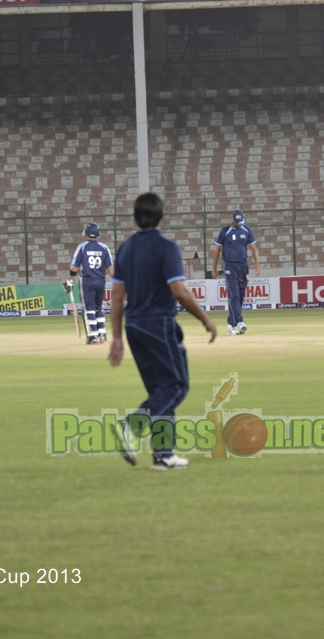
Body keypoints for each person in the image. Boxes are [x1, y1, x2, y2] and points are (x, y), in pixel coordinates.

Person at [108, 193, 217, 471]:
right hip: (158, 324)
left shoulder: (125, 249)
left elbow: (117, 295)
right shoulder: (166, 248)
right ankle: (131, 426)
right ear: (161, 217)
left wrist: (117, 338)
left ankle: (163, 454)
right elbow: (179, 291)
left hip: (133, 327)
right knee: (176, 385)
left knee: (159, 391)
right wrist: (205, 319)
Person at [212, 209, 260, 335]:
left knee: (240, 295)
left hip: (243, 266)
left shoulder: (247, 230)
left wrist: (257, 265)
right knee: (234, 295)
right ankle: (239, 321)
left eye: (241, 221)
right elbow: (217, 250)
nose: (239, 224)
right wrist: (214, 269)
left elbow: (253, 249)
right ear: (232, 219)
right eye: (237, 221)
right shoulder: (225, 231)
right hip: (229, 266)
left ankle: (231, 325)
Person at [66, 222, 114, 345]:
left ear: (86, 233)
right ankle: (102, 334)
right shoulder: (104, 248)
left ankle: (93, 337)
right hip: (100, 281)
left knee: (89, 309)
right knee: (99, 307)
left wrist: (70, 281)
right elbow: (111, 269)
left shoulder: (82, 247)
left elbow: (75, 267)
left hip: (87, 280)